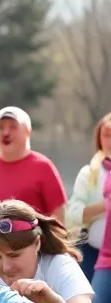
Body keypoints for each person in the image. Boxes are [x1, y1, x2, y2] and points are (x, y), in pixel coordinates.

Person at [0, 107, 66, 219]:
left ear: (27, 131)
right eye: (1, 127)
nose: (6, 133)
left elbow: (58, 215)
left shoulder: (43, 167)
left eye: (13, 127)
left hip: (32, 236)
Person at [66, 112, 111, 279]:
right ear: (99, 139)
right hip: (93, 252)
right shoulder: (88, 173)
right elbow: (72, 215)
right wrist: (106, 205)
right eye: (106, 135)